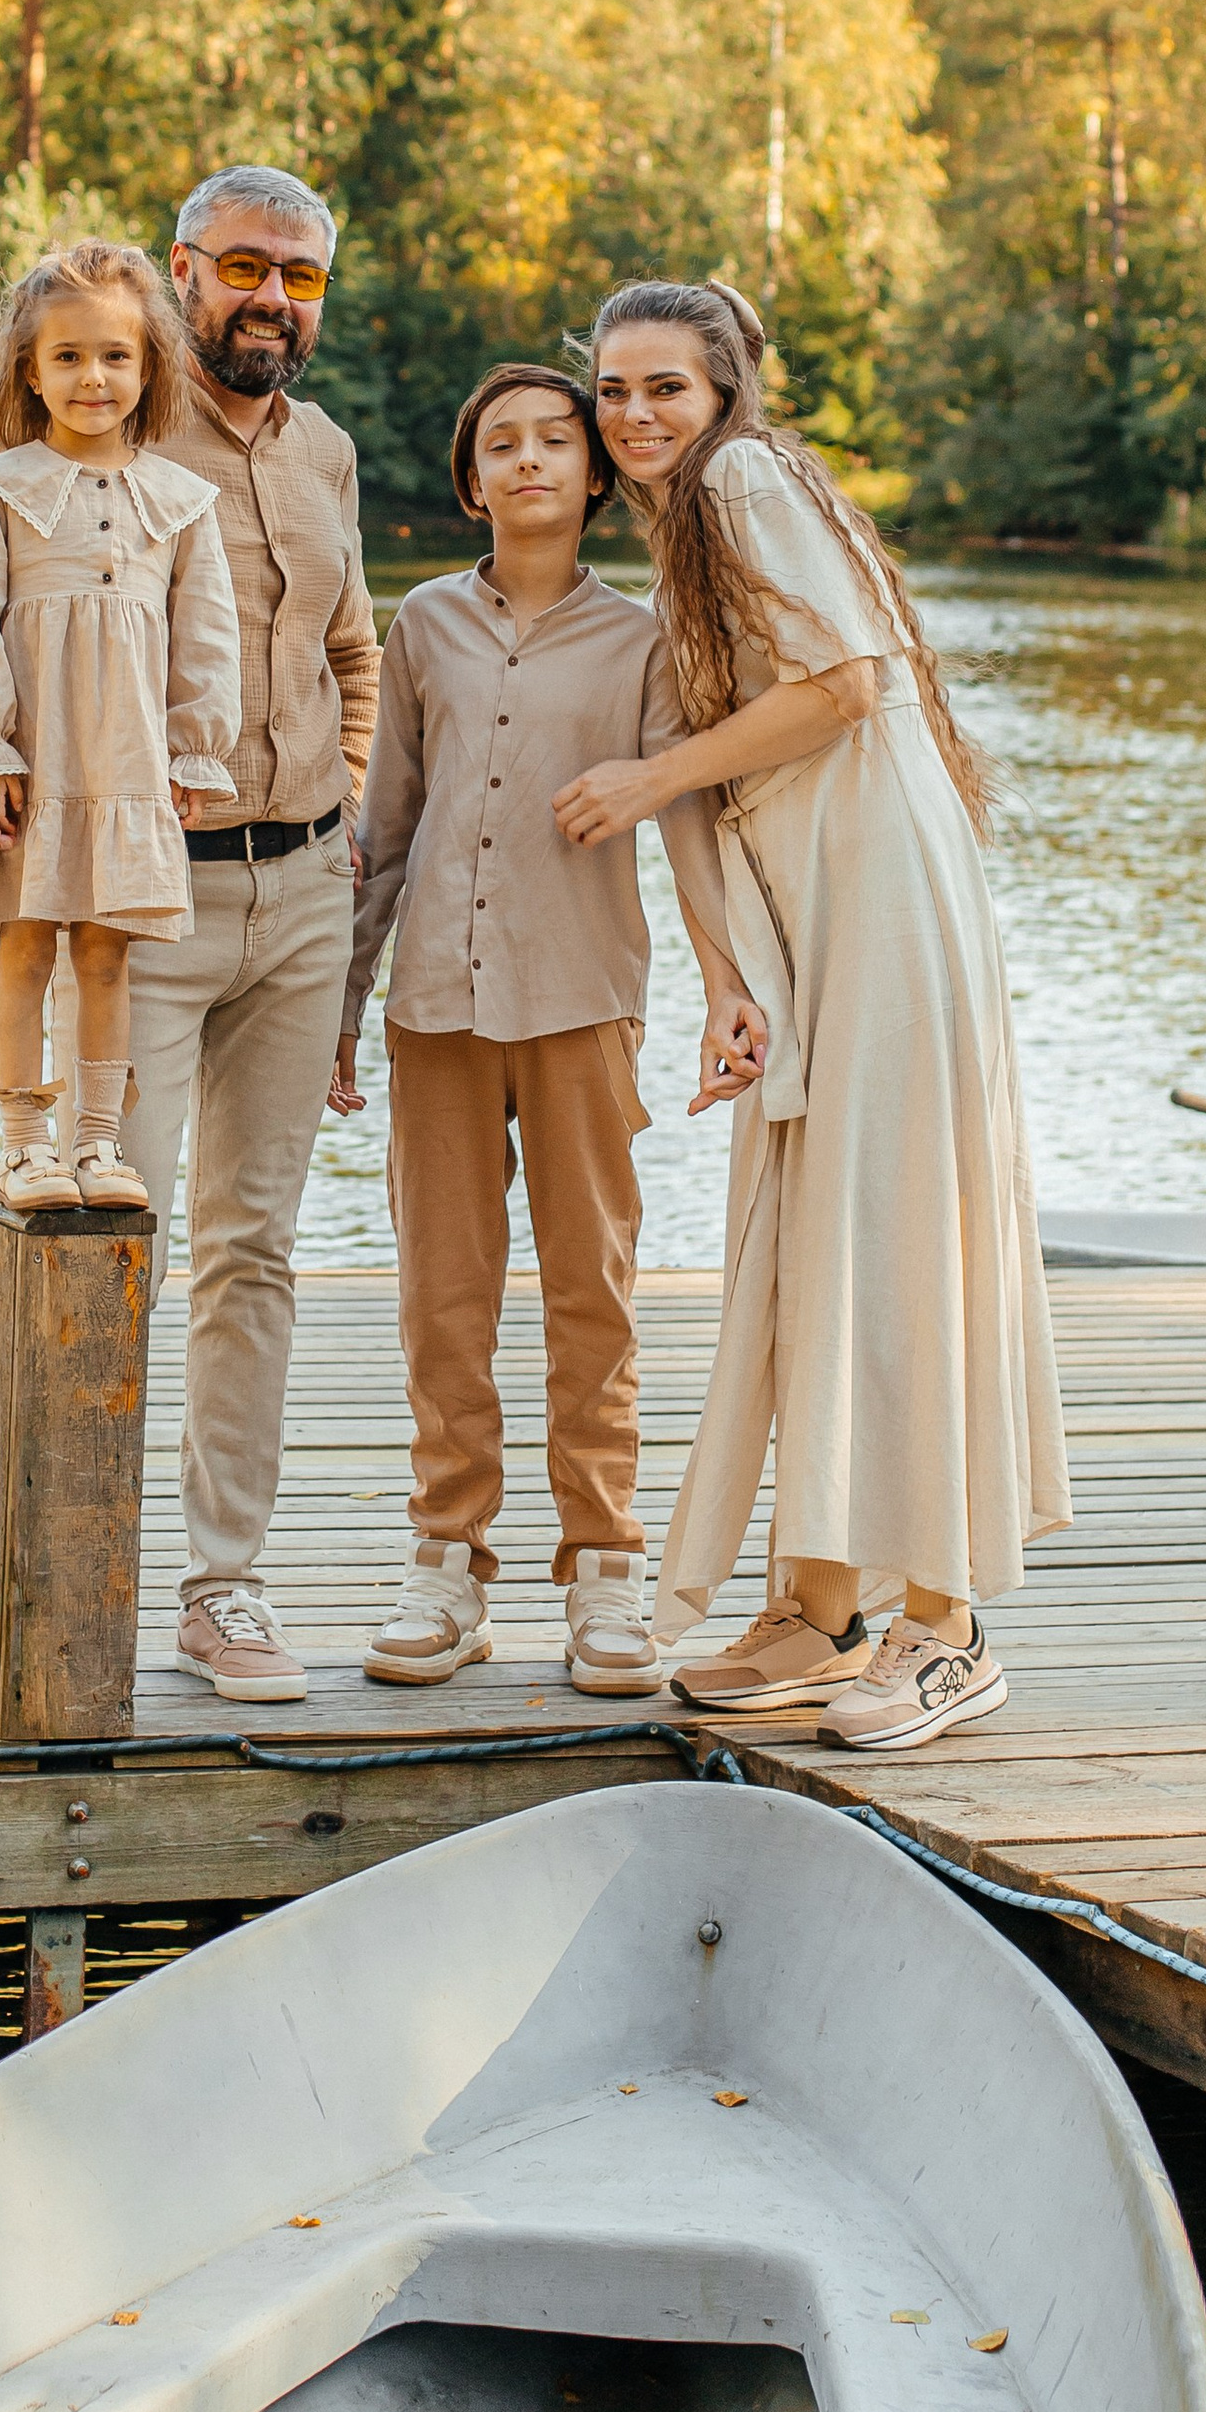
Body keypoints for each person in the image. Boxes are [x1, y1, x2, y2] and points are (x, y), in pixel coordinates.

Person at [553, 278, 1071, 1752]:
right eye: (614, 388)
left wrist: (649, 778)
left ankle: (948, 1629)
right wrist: (729, 980)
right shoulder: (690, 529)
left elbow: (847, 683)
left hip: (883, 898)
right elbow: (715, 777)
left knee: (896, 1232)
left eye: (666, 386)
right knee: (811, 1235)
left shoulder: (748, 482)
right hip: (812, 915)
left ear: (724, 394)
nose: (635, 413)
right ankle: (824, 1607)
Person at [0, 162, 378, 1704]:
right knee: (106, 1235)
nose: (272, 297)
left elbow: (353, 650)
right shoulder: (104, 416)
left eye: (301, 275)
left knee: (256, 1256)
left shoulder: (327, 453)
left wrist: (351, 810)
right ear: (182, 272)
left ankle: (223, 1589)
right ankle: (65, 1591)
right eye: (244, 267)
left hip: (304, 899)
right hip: (137, 893)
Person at [332, 364, 763, 1698]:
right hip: (434, 1007)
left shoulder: (643, 641)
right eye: (501, 445)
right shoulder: (423, 626)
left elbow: (684, 816)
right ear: (472, 482)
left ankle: (603, 1570)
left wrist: (723, 982)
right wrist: (342, 1003)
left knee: (593, 1295)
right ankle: (446, 1566)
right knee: (441, 1299)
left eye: (554, 442)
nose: (528, 460)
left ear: (594, 475)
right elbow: (385, 822)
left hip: (583, 1003)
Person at [0, 243, 240, 1214]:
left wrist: (193, 749)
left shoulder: (180, 502)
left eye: (116, 356)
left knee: (106, 954)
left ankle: (96, 1144)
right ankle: (22, 1147)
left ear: (150, 368)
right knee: (26, 947)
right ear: (30, 371)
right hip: (30, 763)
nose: (95, 378)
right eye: (69, 358)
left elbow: (206, 636)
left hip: (126, 762)